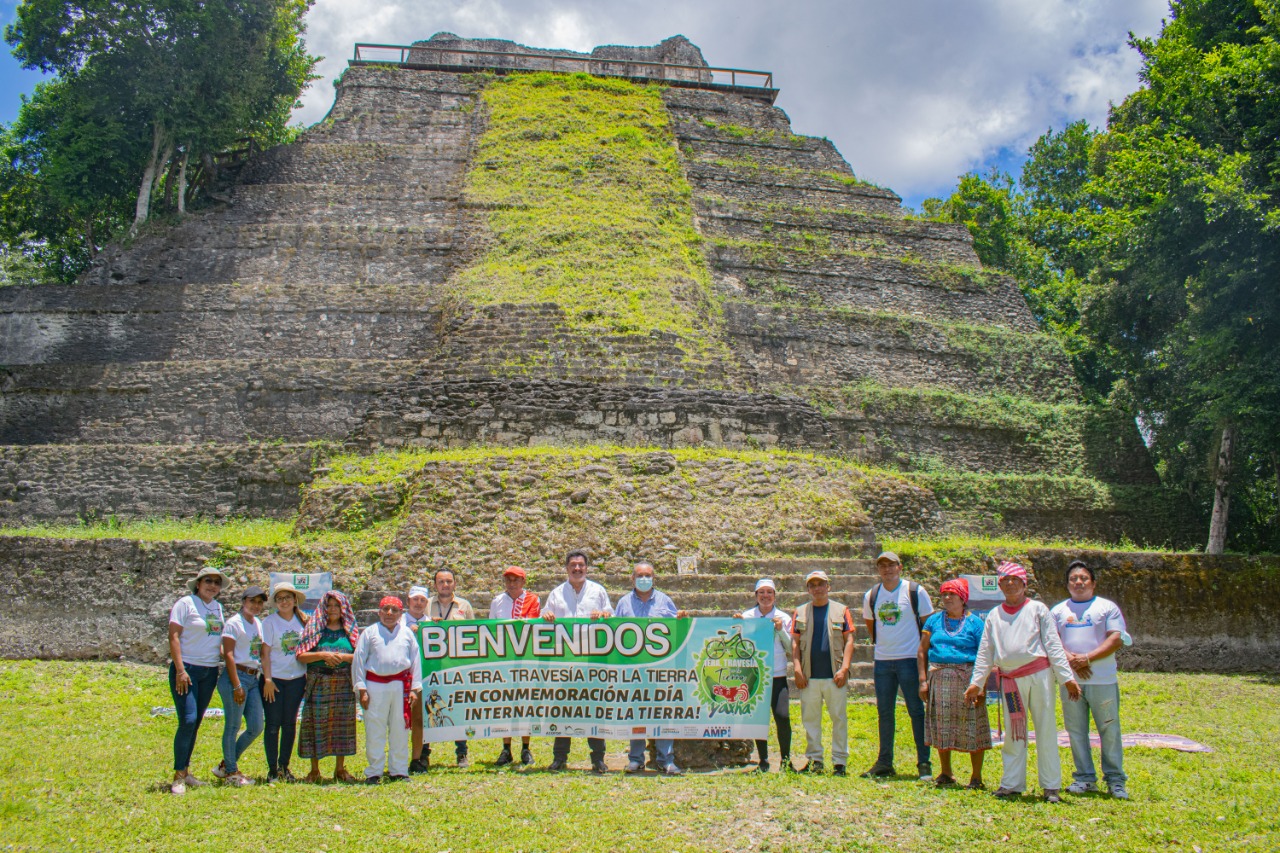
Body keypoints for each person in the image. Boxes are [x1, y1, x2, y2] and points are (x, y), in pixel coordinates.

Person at [965, 562, 1081, 802]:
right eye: (1005, 581)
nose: (1009, 584)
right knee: (1014, 732)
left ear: (1024, 584)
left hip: (1039, 676)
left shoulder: (1038, 609)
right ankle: (1012, 784)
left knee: (1045, 728)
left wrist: (1066, 678)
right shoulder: (994, 615)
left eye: (1014, 580)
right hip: (1011, 681)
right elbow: (985, 650)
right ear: (1000, 585)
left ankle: (1051, 786)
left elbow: (1052, 644)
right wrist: (977, 682)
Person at [1051, 560, 1129, 799]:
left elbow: (1116, 639)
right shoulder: (1058, 611)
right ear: (1067, 584)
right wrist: (1074, 661)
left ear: (1093, 583)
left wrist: (1087, 658)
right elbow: (1051, 641)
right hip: (1070, 681)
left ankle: (1115, 781)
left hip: (1103, 681)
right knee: (1075, 731)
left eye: (1084, 578)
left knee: (1109, 730)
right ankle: (1085, 778)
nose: (1078, 582)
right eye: (1073, 578)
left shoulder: (1107, 607)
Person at [862, 551, 934, 780]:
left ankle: (924, 762)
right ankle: (884, 761)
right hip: (883, 660)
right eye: (883, 566)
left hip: (909, 659)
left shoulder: (915, 592)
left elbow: (927, 627)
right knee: (884, 712)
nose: (887, 570)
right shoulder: (872, 595)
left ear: (900, 567)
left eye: (891, 565)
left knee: (916, 710)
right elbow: (871, 626)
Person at [542, 549, 613, 773]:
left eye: (581, 565)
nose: (577, 568)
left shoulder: (598, 591)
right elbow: (544, 616)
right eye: (573, 564)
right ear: (566, 568)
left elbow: (610, 615)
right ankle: (560, 757)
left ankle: (598, 758)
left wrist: (602, 615)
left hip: (591, 660)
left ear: (586, 567)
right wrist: (547, 616)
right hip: (564, 662)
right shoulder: (556, 593)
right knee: (563, 709)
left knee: (593, 708)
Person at [917, 578, 991, 788]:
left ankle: (976, 777)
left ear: (963, 598)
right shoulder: (933, 621)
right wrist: (923, 681)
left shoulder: (975, 623)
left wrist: (981, 685)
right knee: (942, 724)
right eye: (945, 594)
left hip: (968, 680)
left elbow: (984, 655)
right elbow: (922, 651)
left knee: (973, 724)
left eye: (953, 594)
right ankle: (946, 772)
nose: (947, 598)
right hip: (939, 678)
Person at [615, 561, 686, 776]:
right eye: (640, 575)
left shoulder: (665, 601)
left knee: (662, 712)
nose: (644, 579)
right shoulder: (624, 603)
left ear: (654, 578)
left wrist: (682, 620)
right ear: (632, 578)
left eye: (648, 575)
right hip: (634, 670)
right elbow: (614, 632)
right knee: (637, 713)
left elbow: (676, 629)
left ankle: (665, 759)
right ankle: (636, 759)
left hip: (660, 669)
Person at [166, 566, 227, 795]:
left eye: (216, 582)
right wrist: (181, 670)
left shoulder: (218, 608)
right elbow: (173, 636)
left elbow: (217, 640)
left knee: (197, 721)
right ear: (198, 583)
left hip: (209, 670)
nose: (212, 585)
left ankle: (186, 771)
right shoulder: (185, 604)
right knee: (188, 720)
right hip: (188, 669)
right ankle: (179, 775)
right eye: (208, 581)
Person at [791, 570, 855, 776]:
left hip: (834, 674)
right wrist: (798, 669)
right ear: (808, 589)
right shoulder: (800, 612)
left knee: (839, 718)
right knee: (810, 719)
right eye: (813, 585)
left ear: (828, 586)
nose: (817, 588)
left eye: (821, 584)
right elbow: (795, 642)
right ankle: (815, 759)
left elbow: (850, 640)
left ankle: (839, 762)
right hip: (809, 677)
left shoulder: (841, 610)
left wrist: (844, 669)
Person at [354, 596, 423, 783]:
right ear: (379, 612)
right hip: (374, 685)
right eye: (385, 609)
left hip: (400, 685)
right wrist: (361, 689)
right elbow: (359, 661)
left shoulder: (407, 633)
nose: (389, 613)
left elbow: (415, 661)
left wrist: (415, 689)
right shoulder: (370, 633)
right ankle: (374, 771)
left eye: (394, 610)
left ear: (401, 613)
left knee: (399, 729)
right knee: (375, 729)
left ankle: (398, 770)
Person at [295, 590, 360, 783]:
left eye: (336, 606)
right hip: (319, 681)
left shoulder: (350, 630)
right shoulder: (315, 628)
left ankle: (340, 769)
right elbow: (300, 655)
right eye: (329, 605)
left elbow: (360, 656)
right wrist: (323, 655)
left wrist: (341, 657)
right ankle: (314, 770)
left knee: (343, 725)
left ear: (343, 609)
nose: (332, 609)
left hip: (343, 681)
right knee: (316, 723)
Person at [210, 585, 267, 786]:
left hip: (252, 678)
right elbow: (228, 654)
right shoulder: (234, 623)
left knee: (256, 726)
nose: (256, 605)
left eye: (260, 602)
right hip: (236, 677)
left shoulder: (257, 623)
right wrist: (236, 685)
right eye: (252, 601)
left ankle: (226, 764)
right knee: (233, 726)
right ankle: (231, 773)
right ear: (243, 602)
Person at [739, 578, 793, 773]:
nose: (765, 596)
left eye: (769, 592)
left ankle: (786, 761)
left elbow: (790, 647)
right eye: (761, 592)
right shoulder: (746, 616)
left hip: (777, 674)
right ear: (756, 595)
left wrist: (780, 631)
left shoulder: (783, 618)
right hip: (755, 676)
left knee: (782, 717)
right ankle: (763, 760)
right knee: (758, 719)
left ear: (775, 595)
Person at [489, 567, 541, 767]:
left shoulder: (532, 600)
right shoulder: (497, 601)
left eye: (516, 580)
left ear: (523, 581)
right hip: (504, 658)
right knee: (506, 703)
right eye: (508, 580)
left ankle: (526, 747)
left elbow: (535, 625)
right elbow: (491, 628)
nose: (512, 583)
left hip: (525, 656)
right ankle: (506, 747)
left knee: (525, 703)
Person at [426, 569, 475, 769]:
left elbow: (474, 634)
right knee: (428, 707)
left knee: (458, 708)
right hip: (431, 666)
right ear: (435, 585)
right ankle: (423, 752)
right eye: (441, 582)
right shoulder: (426, 605)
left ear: (455, 583)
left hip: (456, 667)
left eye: (449, 581)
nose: (445, 585)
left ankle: (461, 752)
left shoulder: (464, 606)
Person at [260, 582, 309, 782]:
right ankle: (272, 769)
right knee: (272, 724)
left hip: (296, 679)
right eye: (279, 599)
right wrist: (268, 679)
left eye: (287, 597)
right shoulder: (270, 622)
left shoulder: (303, 621)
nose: (284, 602)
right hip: (275, 680)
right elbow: (265, 653)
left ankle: (284, 766)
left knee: (289, 724)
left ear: (294, 600)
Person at [402, 585, 432, 774]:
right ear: (408, 602)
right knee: (402, 719)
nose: (418, 603)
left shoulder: (431, 623)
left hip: (425, 675)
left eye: (422, 600)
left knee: (421, 719)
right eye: (415, 600)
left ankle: (420, 756)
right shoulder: (399, 622)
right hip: (403, 675)